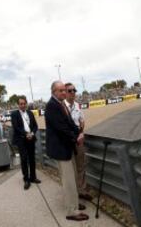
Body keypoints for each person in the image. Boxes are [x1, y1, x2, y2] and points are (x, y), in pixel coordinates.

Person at [45, 81, 89, 221]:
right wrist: (76, 138)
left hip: (66, 148)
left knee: (73, 178)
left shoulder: (61, 104)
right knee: (69, 182)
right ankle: (72, 211)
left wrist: (79, 133)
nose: (64, 92)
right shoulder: (52, 106)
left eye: (65, 90)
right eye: (61, 90)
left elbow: (70, 124)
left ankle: (74, 204)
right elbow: (62, 129)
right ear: (53, 92)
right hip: (61, 150)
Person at [64, 83, 93, 201]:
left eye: (74, 90)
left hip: (78, 140)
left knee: (81, 166)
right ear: (65, 92)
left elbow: (82, 121)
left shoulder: (77, 106)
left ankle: (82, 190)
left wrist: (81, 132)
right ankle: (73, 194)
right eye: (70, 91)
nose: (73, 93)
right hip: (67, 142)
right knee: (71, 170)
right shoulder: (61, 106)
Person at [11, 97, 41, 190]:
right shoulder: (14, 114)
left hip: (31, 138)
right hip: (21, 140)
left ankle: (33, 177)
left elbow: (35, 126)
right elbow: (16, 127)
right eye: (21, 104)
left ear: (26, 104)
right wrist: (26, 134)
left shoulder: (30, 113)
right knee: (24, 159)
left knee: (32, 158)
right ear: (18, 105)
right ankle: (26, 180)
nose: (23, 105)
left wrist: (32, 133)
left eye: (24, 103)